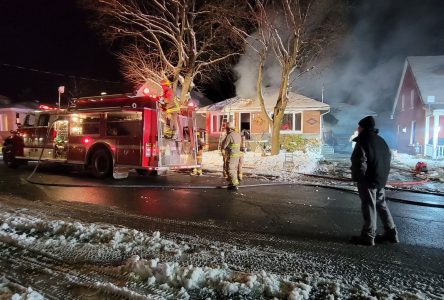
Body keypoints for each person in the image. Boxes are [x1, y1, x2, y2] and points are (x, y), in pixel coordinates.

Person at [350, 116, 399, 246]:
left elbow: (359, 162)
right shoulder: (381, 140)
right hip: (380, 178)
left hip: (368, 180)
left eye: (359, 126)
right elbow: (387, 158)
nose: (357, 128)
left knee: (369, 206)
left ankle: (368, 236)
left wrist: (359, 178)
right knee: (381, 205)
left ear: (364, 127)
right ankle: (391, 232)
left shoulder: (363, 141)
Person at [221, 122, 242, 190]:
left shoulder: (229, 135)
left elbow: (225, 145)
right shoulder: (238, 135)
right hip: (237, 156)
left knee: (230, 170)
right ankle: (231, 183)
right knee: (233, 169)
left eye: (226, 129)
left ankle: (234, 184)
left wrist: (223, 149)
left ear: (230, 129)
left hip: (231, 156)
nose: (226, 130)